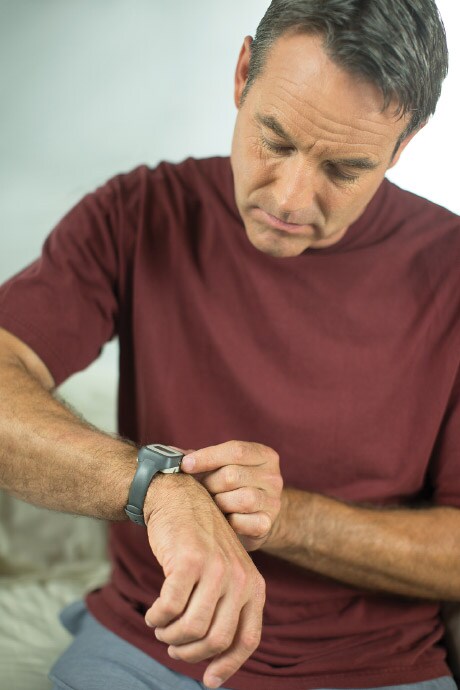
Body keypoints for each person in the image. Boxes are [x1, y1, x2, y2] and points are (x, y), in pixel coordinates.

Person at [0, 1, 458, 689]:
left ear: (405, 144)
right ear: (243, 73)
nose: (292, 198)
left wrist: (285, 517)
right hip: (146, 648)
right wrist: (156, 486)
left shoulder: (451, 272)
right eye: (275, 140)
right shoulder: (138, 213)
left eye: (344, 170)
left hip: (375, 670)